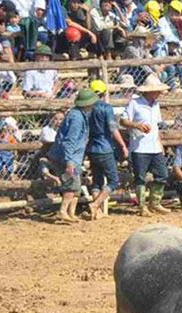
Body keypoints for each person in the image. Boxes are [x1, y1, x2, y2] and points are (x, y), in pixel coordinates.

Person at [120, 73, 170, 217]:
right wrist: (137, 125)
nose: (159, 93)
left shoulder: (156, 105)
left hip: (154, 146)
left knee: (162, 174)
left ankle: (154, 203)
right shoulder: (135, 103)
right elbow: (123, 121)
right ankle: (142, 206)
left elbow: (156, 127)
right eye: (157, 91)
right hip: (139, 147)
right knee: (140, 178)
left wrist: (160, 145)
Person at [48, 89, 99, 222]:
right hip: (68, 158)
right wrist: (69, 161)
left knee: (75, 186)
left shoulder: (78, 115)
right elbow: (70, 140)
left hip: (72, 157)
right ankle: (63, 211)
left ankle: (71, 213)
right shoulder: (77, 117)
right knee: (71, 185)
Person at [87, 79, 129, 220]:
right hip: (105, 148)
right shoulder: (106, 108)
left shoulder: (87, 108)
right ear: (104, 93)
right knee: (113, 181)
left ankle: (97, 211)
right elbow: (112, 128)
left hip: (91, 147)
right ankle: (95, 204)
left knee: (97, 181)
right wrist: (122, 145)